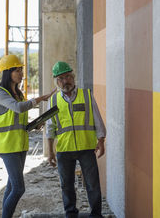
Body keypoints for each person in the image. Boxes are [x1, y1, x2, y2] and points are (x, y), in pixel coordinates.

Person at [0, 54, 54, 218]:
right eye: (17, 70)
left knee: (12, 185)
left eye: (21, 70)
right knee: (19, 188)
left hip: (20, 144)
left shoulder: (18, 93)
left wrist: (35, 124)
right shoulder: (0, 93)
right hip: (7, 146)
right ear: (7, 73)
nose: (21, 73)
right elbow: (19, 108)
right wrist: (40, 99)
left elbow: (19, 121)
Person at [46, 61, 106, 218]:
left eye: (67, 76)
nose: (65, 81)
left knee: (92, 184)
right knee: (66, 186)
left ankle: (96, 215)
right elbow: (50, 128)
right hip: (64, 150)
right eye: (61, 78)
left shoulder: (86, 95)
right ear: (56, 82)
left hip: (86, 148)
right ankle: (70, 214)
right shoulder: (53, 101)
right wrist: (50, 152)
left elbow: (97, 118)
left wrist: (101, 140)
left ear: (73, 77)